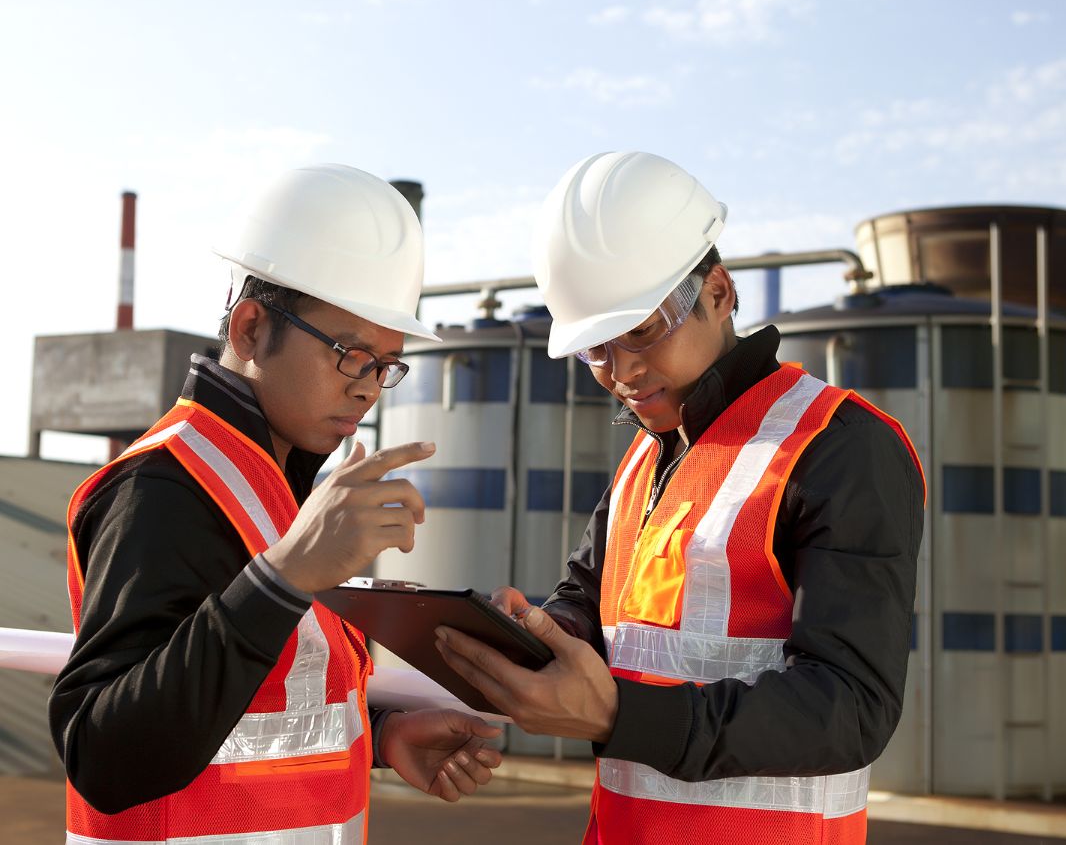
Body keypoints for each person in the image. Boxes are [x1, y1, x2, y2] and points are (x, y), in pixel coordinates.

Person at [435, 151, 925, 844]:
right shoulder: (647, 453)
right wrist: (542, 638)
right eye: (597, 350)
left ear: (719, 293)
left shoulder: (839, 447)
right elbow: (589, 601)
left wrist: (614, 715)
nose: (623, 371)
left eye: (642, 330)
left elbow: (850, 707)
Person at [49, 164, 501, 843]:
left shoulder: (280, 489)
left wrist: (379, 735)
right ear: (252, 328)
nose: (370, 388)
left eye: (387, 365)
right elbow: (103, 753)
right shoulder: (161, 489)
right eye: (351, 354)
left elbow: (263, 705)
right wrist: (281, 579)